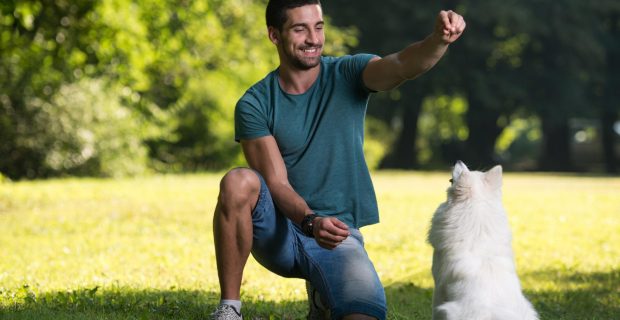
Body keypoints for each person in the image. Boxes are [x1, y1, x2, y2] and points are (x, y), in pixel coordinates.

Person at [210, 1, 465, 319]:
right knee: (238, 181)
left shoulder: (349, 73)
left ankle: (323, 296)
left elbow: (402, 64)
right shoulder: (255, 103)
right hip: (280, 232)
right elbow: (275, 182)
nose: (313, 38)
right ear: (274, 35)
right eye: (300, 28)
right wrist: (310, 220)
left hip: (337, 235)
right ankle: (229, 309)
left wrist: (438, 40)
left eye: (318, 27)